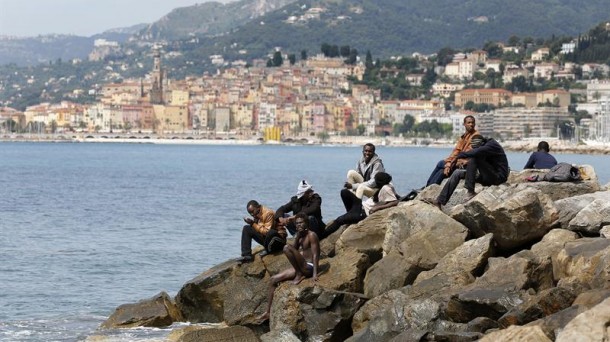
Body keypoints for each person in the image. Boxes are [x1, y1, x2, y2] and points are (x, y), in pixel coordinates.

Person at [258, 213, 320, 322]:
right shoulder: (300, 236)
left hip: (308, 267)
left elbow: (315, 255)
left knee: (286, 247)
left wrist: (315, 274)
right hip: (300, 266)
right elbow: (294, 250)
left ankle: (299, 275)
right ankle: (268, 312)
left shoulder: (312, 235)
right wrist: (298, 236)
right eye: (296, 224)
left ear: (306, 223)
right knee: (273, 280)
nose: (298, 225)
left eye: (301, 223)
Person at [424, 135, 509, 208]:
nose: (476, 149)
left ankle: (470, 192)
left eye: (477, 148)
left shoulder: (492, 145)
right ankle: (440, 201)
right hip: (487, 175)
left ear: (482, 144)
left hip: (498, 177)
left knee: (474, 158)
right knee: (457, 173)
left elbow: (476, 152)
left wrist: (459, 156)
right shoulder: (483, 146)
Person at [321, 172, 399, 239]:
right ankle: (350, 213)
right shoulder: (386, 186)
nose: (374, 182)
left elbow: (394, 202)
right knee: (344, 192)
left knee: (339, 220)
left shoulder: (386, 188)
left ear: (380, 181)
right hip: (359, 205)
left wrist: (378, 207)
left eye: (376, 180)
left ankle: (321, 236)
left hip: (362, 213)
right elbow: (396, 196)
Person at [425, 115, 479, 187]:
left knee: (441, 166)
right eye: (469, 123)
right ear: (464, 124)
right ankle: (428, 187)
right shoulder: (464, 136)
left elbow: (467, 154)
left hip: (464, 164)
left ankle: (429, 187)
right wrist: (448, 163)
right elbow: (456, 151)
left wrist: (449, 164)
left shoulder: (476, 136)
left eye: (472, 123)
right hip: (457, 162)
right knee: (442, 169)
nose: (471, 124)